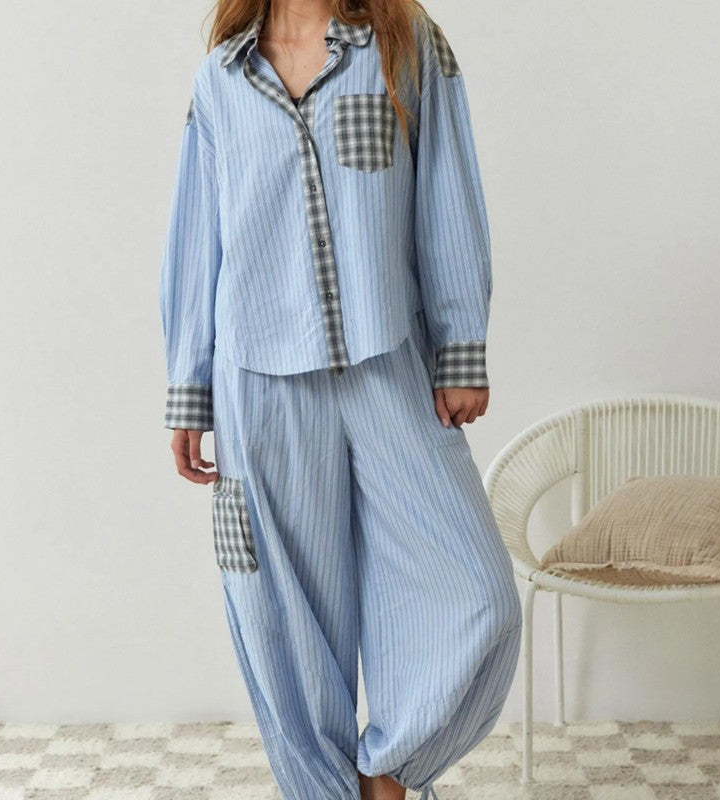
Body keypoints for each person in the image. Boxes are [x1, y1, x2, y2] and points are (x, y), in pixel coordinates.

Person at [158, 0, 523, 797]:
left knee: (481, 596)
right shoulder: (221, 78)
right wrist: (190, 386)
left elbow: (447, 191)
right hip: (258, 381)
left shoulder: (406, 43)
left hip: (387, 360)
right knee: (282, 620)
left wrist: (461, 344)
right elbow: (199, 235)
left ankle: (385, 774)